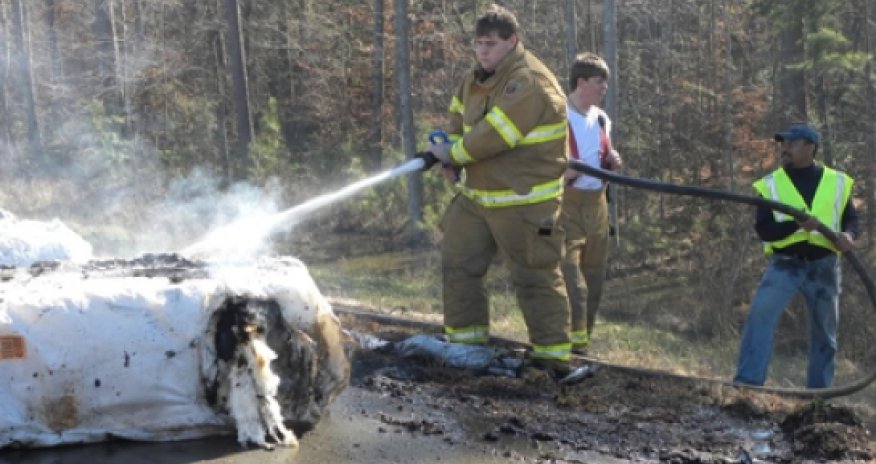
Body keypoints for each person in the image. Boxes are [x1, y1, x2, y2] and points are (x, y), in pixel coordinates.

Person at [416, 4, 572, 376]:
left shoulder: (528, 81)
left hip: (524, 202)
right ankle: (466, 350)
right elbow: (458, 119)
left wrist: (452, 153)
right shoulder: (475, 79)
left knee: (534, 277)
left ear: (512, 42)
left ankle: (552, 363)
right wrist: (451, 154)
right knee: (458, 264)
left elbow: (495, 136)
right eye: (478, 44)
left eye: (490, 44)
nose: (482, 51)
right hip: (478, 198)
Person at [734, 123, 858, 389]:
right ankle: (748, 385)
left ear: (810, 147)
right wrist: (796, 225)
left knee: (825, 334)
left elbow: (851, 220)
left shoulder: (838, 182)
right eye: (783, 143)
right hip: (785, 265)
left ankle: (818, 395)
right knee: (760, 318)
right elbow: (765, 230)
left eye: (792, 143)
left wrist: (849, 235)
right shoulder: (770, 185)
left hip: (824, 266)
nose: (785, 148)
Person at [560, 53, 623, 353]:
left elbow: (602, 153)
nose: (604, 88)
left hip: (597, 205)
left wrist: (612, 159)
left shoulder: (601, 118)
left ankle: (582, 344)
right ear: (581, 82)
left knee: (594, 277)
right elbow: (536, 162)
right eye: (599, 82)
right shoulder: (557, 115)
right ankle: (568, 343)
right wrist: (563, 173)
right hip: (566, 205)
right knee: (572, 280)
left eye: (605, 83)